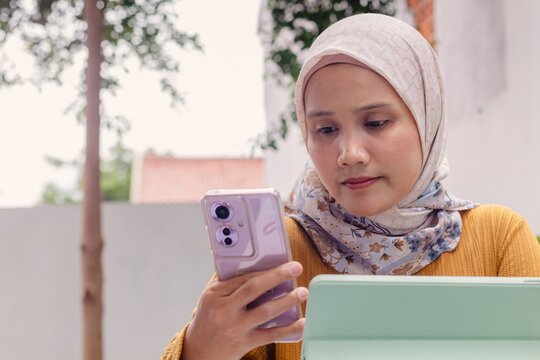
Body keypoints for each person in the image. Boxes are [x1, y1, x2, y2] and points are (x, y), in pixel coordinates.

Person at [161, 13, 540, 360]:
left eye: (375, 122)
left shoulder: (498, 239)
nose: (350, 154)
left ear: (427, 118)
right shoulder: (279, 260)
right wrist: (200, 350)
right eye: (325, 130)